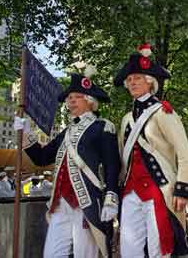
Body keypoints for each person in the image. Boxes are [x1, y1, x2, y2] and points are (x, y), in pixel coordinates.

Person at [18, 67, 121, 258]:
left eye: (77, 96)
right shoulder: (66, 132)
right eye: (69, 97)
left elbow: (112, 165)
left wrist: (111, 198)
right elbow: (42, 158)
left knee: (85, 255)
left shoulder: (102, 127)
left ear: (90, 101)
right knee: (51, 254)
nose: (71, 100)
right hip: (59, 203)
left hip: (87, 202)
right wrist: (25, 133)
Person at [114, 43, 188, 258]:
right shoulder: (126, 119)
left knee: (160, 247)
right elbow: (124, 158)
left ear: (150, 82)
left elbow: (184, 152)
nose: (132, 83)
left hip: (159, 188)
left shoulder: (163, 112)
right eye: (129, 80)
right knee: (129, 249)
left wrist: (183, 188)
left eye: (137, 78)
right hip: (131, 191)